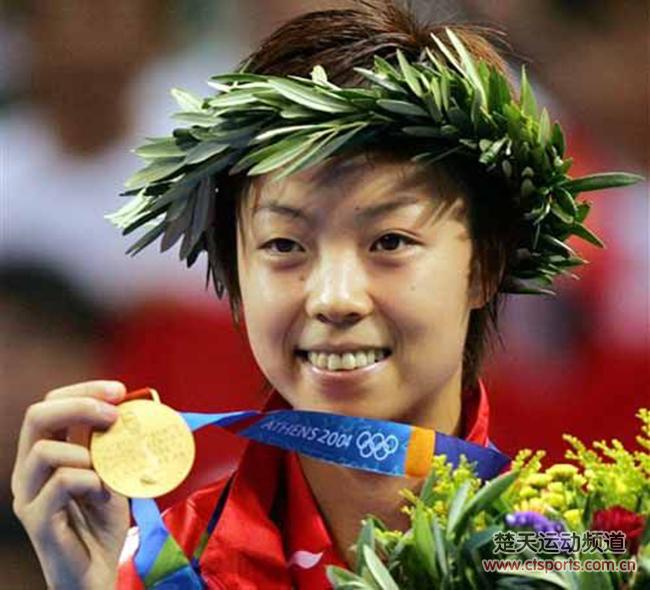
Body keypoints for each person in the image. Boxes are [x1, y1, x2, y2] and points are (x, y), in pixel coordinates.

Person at [9, 1, 641, 589]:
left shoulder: (579, 556)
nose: (334, 298)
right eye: (285, 245)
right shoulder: (169, 569)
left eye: (389, 241)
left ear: (484, 264)